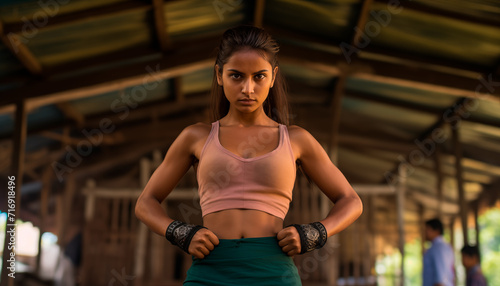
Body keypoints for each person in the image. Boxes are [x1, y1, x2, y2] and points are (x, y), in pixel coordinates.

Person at [135, 25, 363, 285]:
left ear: (273, 77)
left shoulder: (296, 139)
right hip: (210, 270)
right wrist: (181, 233)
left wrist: (314, 233)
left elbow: (351, 201)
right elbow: (145, 203)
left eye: (259, 77)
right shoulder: (195, 136)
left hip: (273, 270)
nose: (248, 88)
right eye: (236, 76)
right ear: (219, 75)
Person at [423, 218, 455, 286]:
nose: (425, 233)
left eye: (427, 230)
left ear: (436, 230)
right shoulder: (446, 247)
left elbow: (441, 279)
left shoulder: (437, 248)